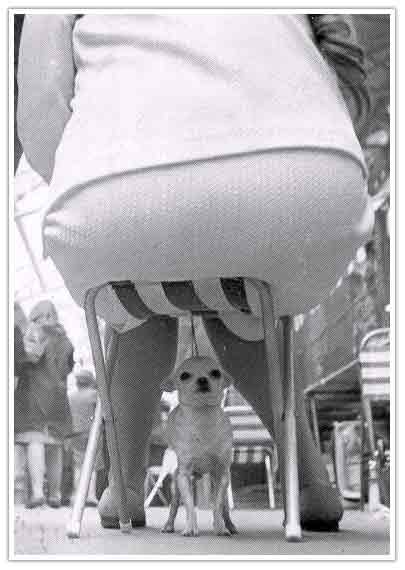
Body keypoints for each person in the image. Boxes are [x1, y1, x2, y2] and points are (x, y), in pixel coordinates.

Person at [17, 14, 374, 529]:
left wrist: (92, 182)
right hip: (306, 185)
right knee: (251, 304)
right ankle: (310, 482)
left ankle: (125, 486)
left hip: (115, 189)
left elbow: (41, 108)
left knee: (136, 300)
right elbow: (348, 69)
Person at [14, 300, 74, 508]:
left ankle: (38, 492)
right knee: (55, 444)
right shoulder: (65, 339)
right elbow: (68, 368)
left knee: (35, 440)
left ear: (37, 316)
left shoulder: (35, 331)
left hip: (34, 395)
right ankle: (55, 495)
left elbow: (30, 357)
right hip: (59, 397)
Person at [68, 368, 99, 506]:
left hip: (75, 434)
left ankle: (77, 495)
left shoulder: (70, 396)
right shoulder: (95, 395)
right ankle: (90, 495)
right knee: (92, 465)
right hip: (92, 433)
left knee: (78, 465)